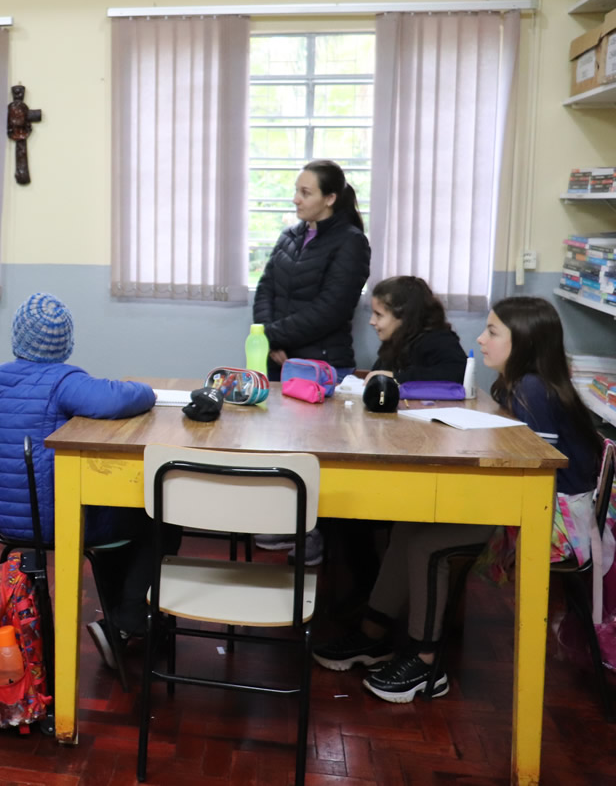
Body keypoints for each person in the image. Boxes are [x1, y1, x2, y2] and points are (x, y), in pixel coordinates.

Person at [313, 296, 602, 704]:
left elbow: (535, 473)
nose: (481, 339)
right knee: (409, 526)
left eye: (493, 331)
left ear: (524, 341)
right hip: (532, 502)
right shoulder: (519, 384)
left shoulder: (533, 390)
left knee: (429, 545)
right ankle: (373, 636)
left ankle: (426, 662)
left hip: (553, 522)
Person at [0, 292, 176, 669]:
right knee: (156, 515)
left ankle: (122, 623)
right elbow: (119, 399)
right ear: (66, 344)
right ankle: (127, 619)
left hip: (7, 521)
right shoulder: (65, 382)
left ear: (17, 338)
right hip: (59, 520)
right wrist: (147, 389)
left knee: (115, 517)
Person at [252, 159, 371, 566]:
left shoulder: (351, 242)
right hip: (281, 360)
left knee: (314, 456)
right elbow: (265, 287)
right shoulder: (290, 235)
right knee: (278, 447)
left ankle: (314, 537)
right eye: (297, 190)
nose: (296, 198)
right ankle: (284, 522)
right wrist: (268, 337)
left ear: (330, 198)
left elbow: (333, 309)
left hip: (322, 364)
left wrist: (275, 336)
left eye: (306, 192)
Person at [365, 276, 468, 384]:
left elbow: (458, 373)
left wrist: (398, 378)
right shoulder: (395, 342)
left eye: (378, 315)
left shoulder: (437, 340)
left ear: (404, 317)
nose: (372, 321)